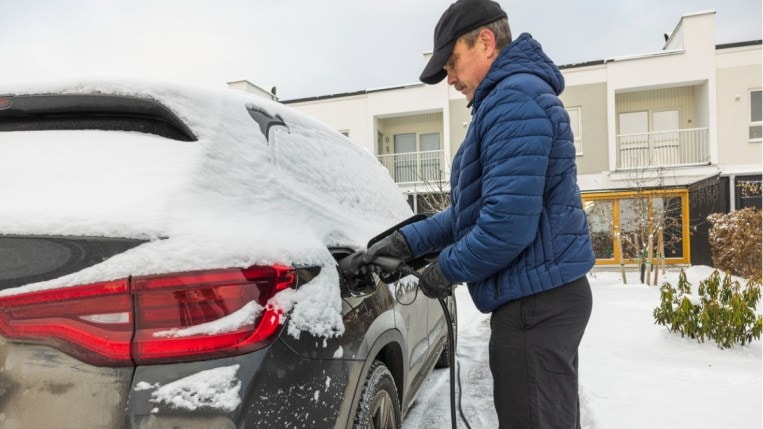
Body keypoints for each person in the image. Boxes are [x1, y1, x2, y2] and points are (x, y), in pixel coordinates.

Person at [358, 0, 596, 427]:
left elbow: (506, 226)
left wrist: (444, 270)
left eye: (452, 62)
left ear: (485, 42)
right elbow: (469, 214)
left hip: (535, 307)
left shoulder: (512, 102)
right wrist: (407, 242)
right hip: (540, 299)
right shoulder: (507, 100)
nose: (450, 78)